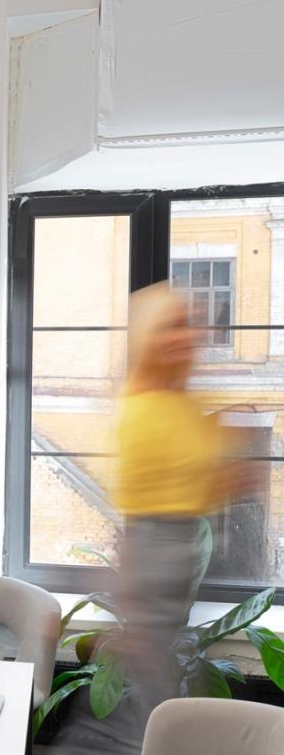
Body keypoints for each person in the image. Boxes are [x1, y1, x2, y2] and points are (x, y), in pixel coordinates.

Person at [112, 285, 253, 722]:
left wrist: (224, 445)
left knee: (155, 686)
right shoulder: (144, 404)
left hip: (176, 548)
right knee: (154, 692)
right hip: (155, 551)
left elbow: (196, 488)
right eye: (170, 327)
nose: (185, 335)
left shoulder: (179, 402)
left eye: (188, 325)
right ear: (147, 338)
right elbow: (159, 488)